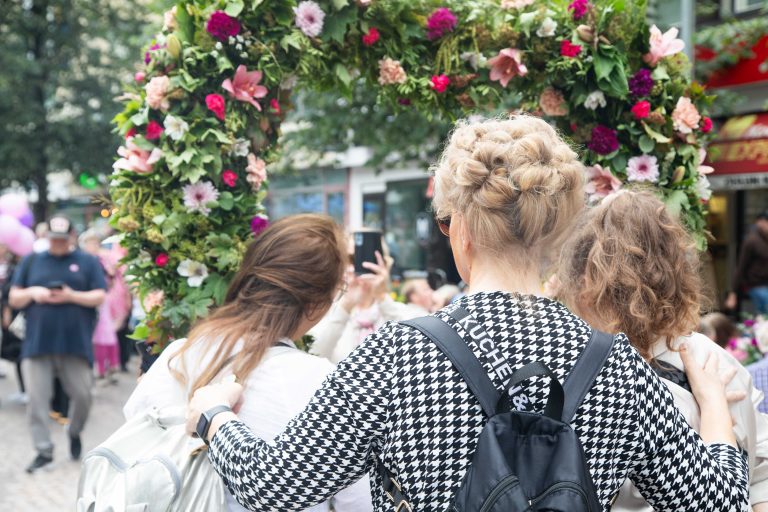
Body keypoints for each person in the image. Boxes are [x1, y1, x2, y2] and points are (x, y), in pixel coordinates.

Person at [185, 117, 748, 511]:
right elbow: (719, 502)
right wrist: (713, 401)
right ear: (557, 231)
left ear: (461, 232)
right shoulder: (617, 367)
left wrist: (215, 415)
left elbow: (274, 485)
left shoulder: (398, 356)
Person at [123, 214, 372, 512]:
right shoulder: (319, 379)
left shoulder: (182, 352)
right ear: (317, 300)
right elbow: (358, 501)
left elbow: (135, 428)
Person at [556, 189, 768, 511]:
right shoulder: (715, 362)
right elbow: (760, 473)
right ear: (677, 271)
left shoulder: (585, 377)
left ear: (587, 278)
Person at [9, 214, 106, 473]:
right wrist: (33, 292)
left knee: (83, 396)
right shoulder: (31, 261)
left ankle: (74, 431)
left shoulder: (87, 261)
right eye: (54, 239)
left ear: (71, 237)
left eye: (63, 240)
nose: (58, 244)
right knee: (37, 402)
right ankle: (44, 451)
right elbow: (14, 297)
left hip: (76, 343)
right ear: (46, 238)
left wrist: (71, 296)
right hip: (37, 344)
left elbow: (99, 296)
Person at [309, 238, 425, 365]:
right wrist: (345, 307)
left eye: (357, 259)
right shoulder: (329, 313)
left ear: (383, 264)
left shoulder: (403, 312)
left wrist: (382, 297)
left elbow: (415, 351)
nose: (351, 267)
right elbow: (314, 356)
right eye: (345, 260)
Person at [725, 211, 768, 313]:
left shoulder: (765, 239)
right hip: (756, 284)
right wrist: (733, 292)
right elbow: (741, 266)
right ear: (760, 222)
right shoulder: (751, 240)